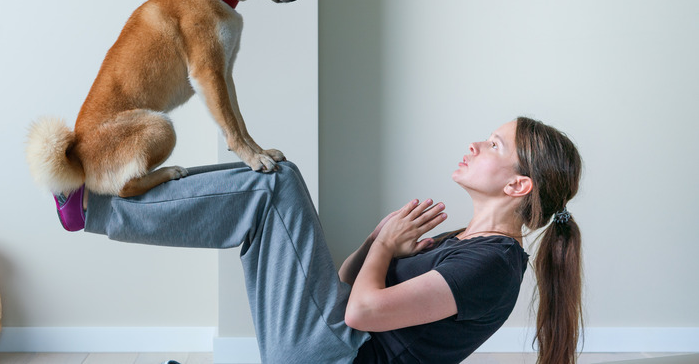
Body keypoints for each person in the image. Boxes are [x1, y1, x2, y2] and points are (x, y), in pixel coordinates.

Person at [53, 117, 583, 364]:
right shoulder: (463, 241)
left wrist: (382, 250)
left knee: (276, 181)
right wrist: (377, 243)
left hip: (337, 356)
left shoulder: (493, 264)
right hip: (329, 344)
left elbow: (362, 315)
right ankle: (96, 206)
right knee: (265, 193)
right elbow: (344, 288)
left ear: (518, 186)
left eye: (493, 144)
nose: (474, 141)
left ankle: (95, 207)